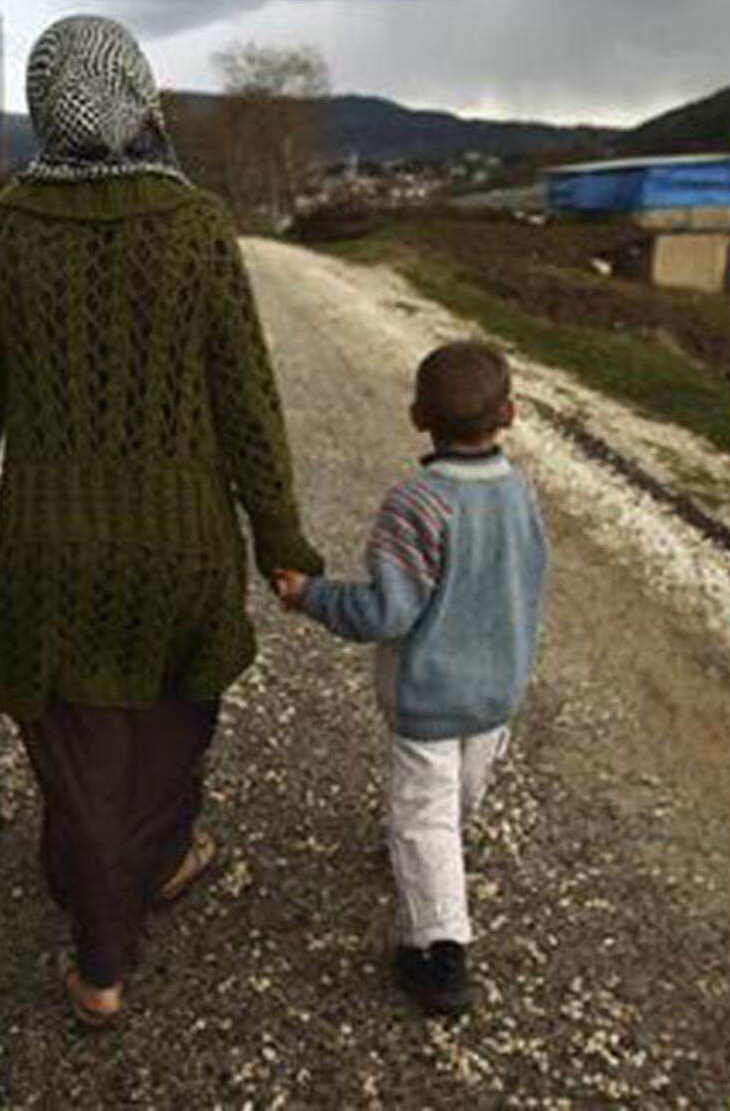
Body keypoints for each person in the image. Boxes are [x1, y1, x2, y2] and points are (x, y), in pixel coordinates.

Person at [0, 14, 324, 1026]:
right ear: (140, 96)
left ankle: (98, 916)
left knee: (76, 748)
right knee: (167, 732)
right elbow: (247, 404)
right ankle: (118, 917)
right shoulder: (194, 225)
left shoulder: (9, 227)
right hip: (183, 541)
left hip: (49, 547)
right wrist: (279, 541)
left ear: (40, 107)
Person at [273, 340, 548, 1018]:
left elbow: (386, 611)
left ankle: (438, 951)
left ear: (417, 414)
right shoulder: (521, 494)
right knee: (454, 801)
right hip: (496, 693)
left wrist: (310, 595)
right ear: (509, 413)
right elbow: (532, 579)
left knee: (423, 816)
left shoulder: (417, 503)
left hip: (431, 697)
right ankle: (430, 867)